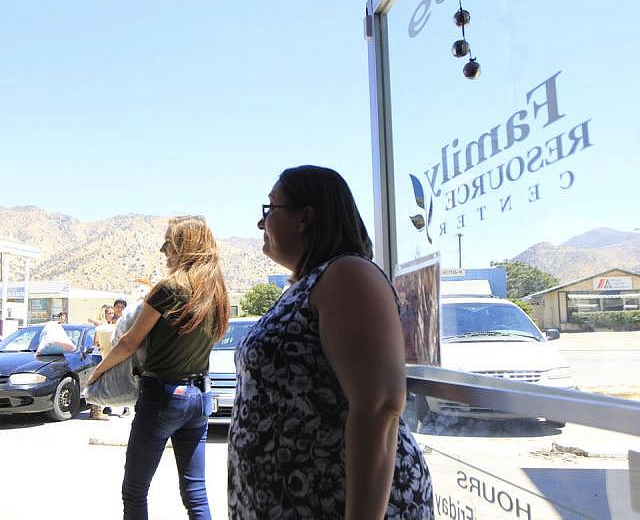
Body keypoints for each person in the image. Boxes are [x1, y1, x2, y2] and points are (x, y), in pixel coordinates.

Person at [228, 165, 434, 519]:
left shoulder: (348, 274)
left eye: (270, 209)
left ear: (305, 217)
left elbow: (380, 406)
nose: (262, 224)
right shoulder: (305, 285)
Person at [88, 215, 229, 519]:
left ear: (186, 247)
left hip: (162, 396)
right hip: (200, 396)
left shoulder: (169, 288)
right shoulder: (216, 291)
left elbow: (127, 343)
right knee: (195, 493)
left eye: (170, 243)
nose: (163, 249)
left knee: (135, 490)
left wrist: (98, 371)